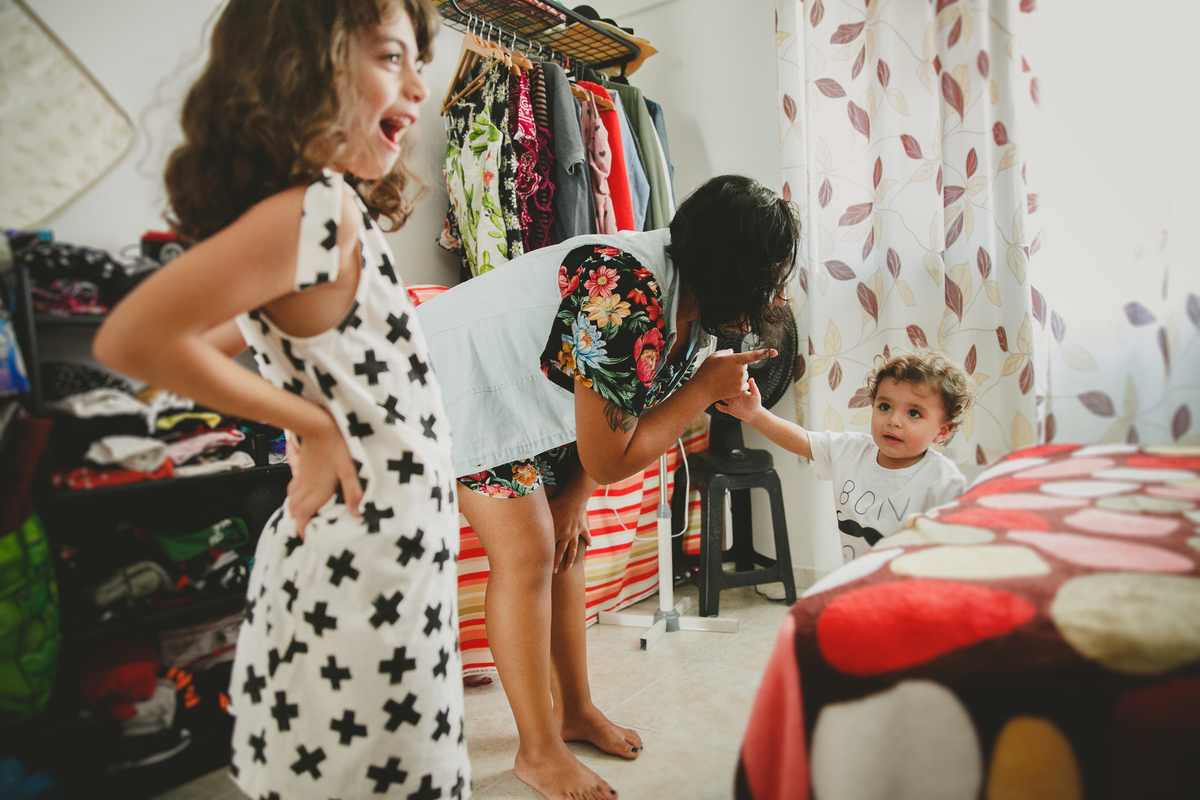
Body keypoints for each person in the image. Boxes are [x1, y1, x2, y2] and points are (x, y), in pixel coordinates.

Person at [93, 1, 472, 797]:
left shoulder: (331, 212)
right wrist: (310, 423)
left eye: (418, 63)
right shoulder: (317, 209)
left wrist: (306, 400)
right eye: (391, 57)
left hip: (393, 559)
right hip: (366, 566)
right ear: (307, 65)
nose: (418, 86)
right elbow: (133, 341)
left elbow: (224, 337)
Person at [415, 174, 799, 800]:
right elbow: (613, 455)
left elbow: (620, 415)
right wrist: (704, 389)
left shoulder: (693, 306)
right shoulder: (624, 291)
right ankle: (538, 751)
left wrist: (575, 497)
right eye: (771, 279)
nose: (777, 296)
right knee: (529, 553)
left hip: (529, 400)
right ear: (735, 270)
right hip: (452, 383)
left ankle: (574, 711)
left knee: (568, 544)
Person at [720, 349, 975, 562]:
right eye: (885, 406)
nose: (894, 421)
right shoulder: (851, 450)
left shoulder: (941, 479)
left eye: (914, 413)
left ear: (942, 431)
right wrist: (756, 415)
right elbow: (800, 440)